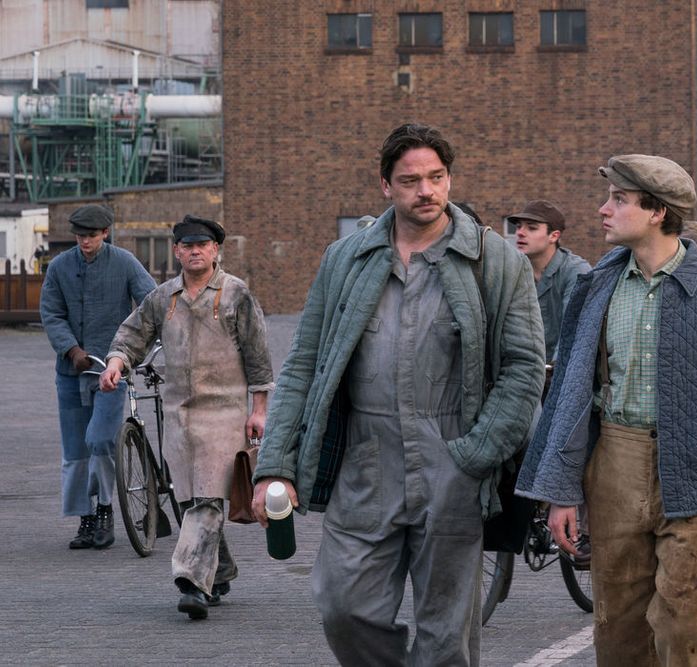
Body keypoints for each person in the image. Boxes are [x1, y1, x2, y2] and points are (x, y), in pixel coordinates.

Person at [250, 123, 545, 664]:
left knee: (445, 639)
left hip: (452, 460)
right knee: (343, 607)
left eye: (437, 177)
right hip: (366, 462)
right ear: (385, 185)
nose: (426, 191)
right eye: (410, 181)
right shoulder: (346, 259)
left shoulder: (496, 261)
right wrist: (275, 466)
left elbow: (524, 370)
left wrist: (475, 456)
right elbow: (303, 366)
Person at [517, 154, 697, 666]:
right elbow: (569, 392)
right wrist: (560, 490)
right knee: (617, 626)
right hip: (614, 468)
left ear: (658, 212)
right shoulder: (596, 285)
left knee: (684, 624)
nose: (603, 209)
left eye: (619, 200)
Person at [100, 215, 274, 620]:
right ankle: (221, 569)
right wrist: (116, 363)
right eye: (187, 246)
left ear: (215, 250)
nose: (195, 251)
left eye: (203, 245)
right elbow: (132, 336)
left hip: (224, 413)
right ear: (177, 252)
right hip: (178, 415)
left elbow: (259, 357)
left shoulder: (235, 294)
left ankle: (193, 581)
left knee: (208, 494)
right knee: (189, 498)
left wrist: (260, 410)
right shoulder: (163, 298)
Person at [40, 204, 156, 550]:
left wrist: (136, 348)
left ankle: (105, 507)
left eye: (91, 236)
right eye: (79, 236)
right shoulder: (59, 267)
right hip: (70, 372)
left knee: (101, 440)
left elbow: (151, 304)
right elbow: (51, 313)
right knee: (76, 451)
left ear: (105, 233)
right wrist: (71, 349)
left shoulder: (124, 262)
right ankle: (85, 517)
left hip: (110, 370)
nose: (85, 242)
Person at [508, 199, 591, 360]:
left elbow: (572, 330)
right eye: (518, 226)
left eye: (531, 228)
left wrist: (553, 369)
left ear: (554, 236)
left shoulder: (576, 271)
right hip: (525, 367)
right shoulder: (513, 271)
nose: (520, 233)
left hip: (562, 368)